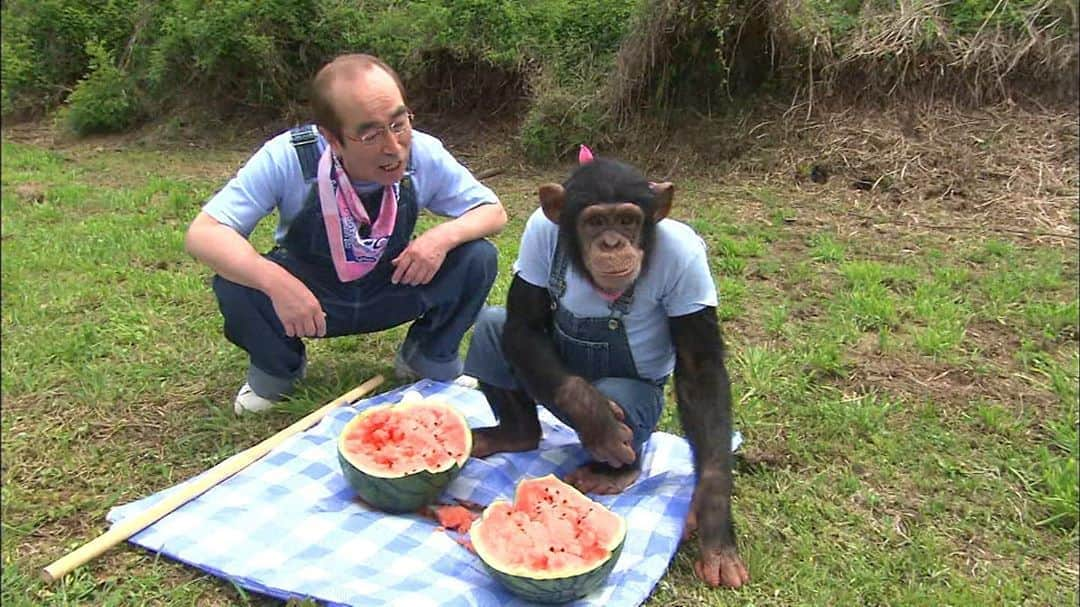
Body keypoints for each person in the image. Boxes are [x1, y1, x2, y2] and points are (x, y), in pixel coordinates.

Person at [184, 54, 507, 414]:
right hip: (314, 298)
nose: (393, 147)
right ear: (332, 139)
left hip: (391, 285)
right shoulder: (289, 157)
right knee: (236, 282)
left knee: (477, 256)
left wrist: (441, 237)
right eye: (369, 133)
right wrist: (274, 280)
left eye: (399, 123)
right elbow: (204, 233)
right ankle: (277, 372)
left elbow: (492, 211)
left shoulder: (424, 153)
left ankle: (428, 357)